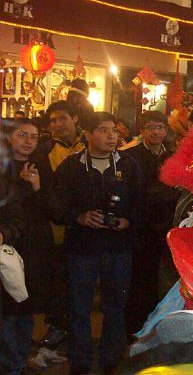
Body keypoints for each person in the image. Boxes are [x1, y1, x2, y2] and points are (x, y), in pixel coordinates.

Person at [53, 112, 144, 374]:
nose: (111, 136)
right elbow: (57, 207)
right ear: (88, 134)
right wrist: (79, 217)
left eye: (114, 130)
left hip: (118, 249)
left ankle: (111, 359)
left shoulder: (128, 166)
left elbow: (141, 205)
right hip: (81, 249)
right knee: (79, 307)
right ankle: (80, 360)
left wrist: (127, 222)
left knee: (115, 307)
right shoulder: (72, 167)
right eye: (103, 130)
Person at [0, 119, 56, 374]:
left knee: (25, 305)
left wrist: (36, 187)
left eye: (33, 136)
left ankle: (18, 360)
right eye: (23, 135)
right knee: (9, 306)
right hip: (7, 244)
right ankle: (13, 362)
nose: (28, 141)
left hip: (34, 246)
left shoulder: (41, 166)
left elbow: (55, 210)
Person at [124, 111, 179, 336]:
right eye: (150, 127)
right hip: (141, 229)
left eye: (159, 127)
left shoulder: (173, 156)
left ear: (166, 131)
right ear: (142, 130)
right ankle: (135, 330)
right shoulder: (131, 156)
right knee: (140, 281)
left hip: (165, 230)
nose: (155, 132)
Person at [37, 101, 87, 347]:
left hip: (86, 227)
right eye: (53, 121)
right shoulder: (44, 150)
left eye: (62, 119)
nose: (57, 125)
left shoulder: (89, 145)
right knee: (58, 281)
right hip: (57, 228)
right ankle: (58, 326)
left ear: (75, 119)